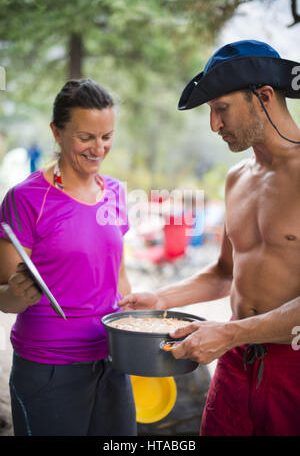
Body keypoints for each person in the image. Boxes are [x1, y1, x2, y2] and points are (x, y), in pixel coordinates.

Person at [119, 40, 300, 436]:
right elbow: (224, 273)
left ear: (265, 96)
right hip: (236, 359)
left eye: (221, 109)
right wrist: (161, 299)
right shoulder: (237, 178)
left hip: (293, 364)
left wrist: (231, 333)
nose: (214, 125)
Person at [0, 78, 137, 436]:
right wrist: (17, 294)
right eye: (86, 137)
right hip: (50, 367)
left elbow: (118, 277)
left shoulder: (116, 193)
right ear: (57, 133)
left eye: (107, 136)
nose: (99, 148)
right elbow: (5, 298)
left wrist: (136, 326)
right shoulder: (25, 199)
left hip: (112, 360)